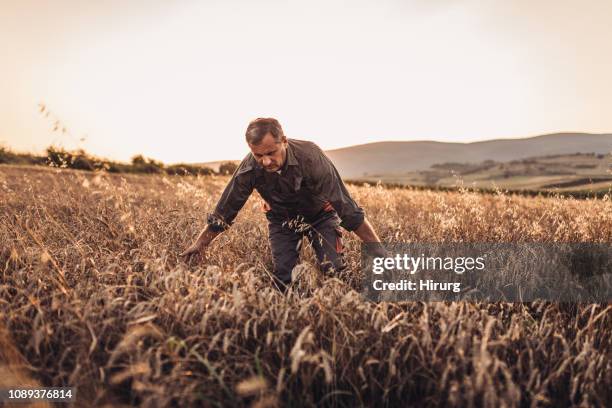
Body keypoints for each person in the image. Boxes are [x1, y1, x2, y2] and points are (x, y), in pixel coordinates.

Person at [180, 117, 382, 292]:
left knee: (334, 271)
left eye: (271, 153)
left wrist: (378, 249)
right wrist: (200, 243)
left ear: (284, 141)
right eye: (258, 155)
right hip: (282, 221)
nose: (265, 162)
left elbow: (346, 206)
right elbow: (226, 210)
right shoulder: (248, 169)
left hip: (321, 216)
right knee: (284, 278)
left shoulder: (311, 156)